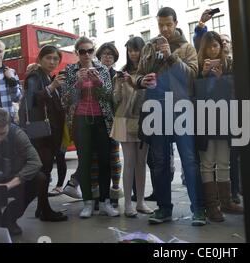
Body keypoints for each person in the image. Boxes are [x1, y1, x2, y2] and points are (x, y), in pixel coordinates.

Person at [134, 7, 206, 226]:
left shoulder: (186, 47)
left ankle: (198, 209)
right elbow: (138, 73)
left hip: (181, 109)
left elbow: (192, 76)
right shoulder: (148, 47)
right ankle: (164, 208)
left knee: (189, 160)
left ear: (175, 23)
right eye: (160, 25)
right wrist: (140, 81)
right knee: (158, 162)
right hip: (155, 109)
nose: (164, 29)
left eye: (168, 24)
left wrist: (170, 56)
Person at [62, 36, 119, 218]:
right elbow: (65, 99)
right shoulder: (71, 69)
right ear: (76, 53)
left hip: (102, 120)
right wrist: (77, 83)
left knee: (104, 161)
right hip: (80, 120)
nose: (86, 55)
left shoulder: (102, 69)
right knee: (84, 162)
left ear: (94, 52)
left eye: (89, 51)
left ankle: (105, 202)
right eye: (82, 51)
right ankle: (87, 203)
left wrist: (98, 82)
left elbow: (109, 95)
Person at [0, 108, 51, 235]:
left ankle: (9, 219)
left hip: (11, 178)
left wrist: (9, 185)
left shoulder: (17, 134)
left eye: (2, 133)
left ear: (8, 126)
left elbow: (35, 162)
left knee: (40, 179)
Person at [195, 31, 243, 222]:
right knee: (207, 163)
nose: (213, 50)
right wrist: (204, 75)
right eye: (209, 46)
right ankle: (211, 206)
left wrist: (222, 77)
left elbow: (233, 92)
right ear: (203, 48)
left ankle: (226, 201)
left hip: (224, 117)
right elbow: (196, 94)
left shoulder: (228, 65)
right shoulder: (198, 67)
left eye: (216, 46)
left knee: (224, 161)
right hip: (204, 119)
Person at [18, 45, 68, 222]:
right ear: (40, 59)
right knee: (43, 170)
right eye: (48, 58)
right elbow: (31, 100)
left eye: (55, 59)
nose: (52, 61)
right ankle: (44, 210)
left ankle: (42, 206)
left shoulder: (47, 76)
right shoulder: (35, 76)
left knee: (46, 169)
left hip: (49, 132)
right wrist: (51, 87)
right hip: (40, 133)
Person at [111, 37, 153, 217]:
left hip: (144, 119)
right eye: (130, 50)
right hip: (123, 120)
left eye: (136, 49)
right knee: (129, 162)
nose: (133, 53)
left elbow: (150, 94)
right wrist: (120, 86)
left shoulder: (149, 71)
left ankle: (140, 202)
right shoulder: (121, 73)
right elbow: (116, 100)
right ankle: (127, 203)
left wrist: (133, 83)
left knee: (141, 163)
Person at [93, 42, 123, 208]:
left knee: (114, 157)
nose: (107, 57)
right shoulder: (93, 73)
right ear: (99, 57)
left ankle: (115, 192)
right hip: (97, 120)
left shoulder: (117, 75)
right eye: (104, 54)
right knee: (96, 159)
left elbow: (117, 99)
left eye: (110, 55)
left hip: (113, 121)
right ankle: (97, 194)